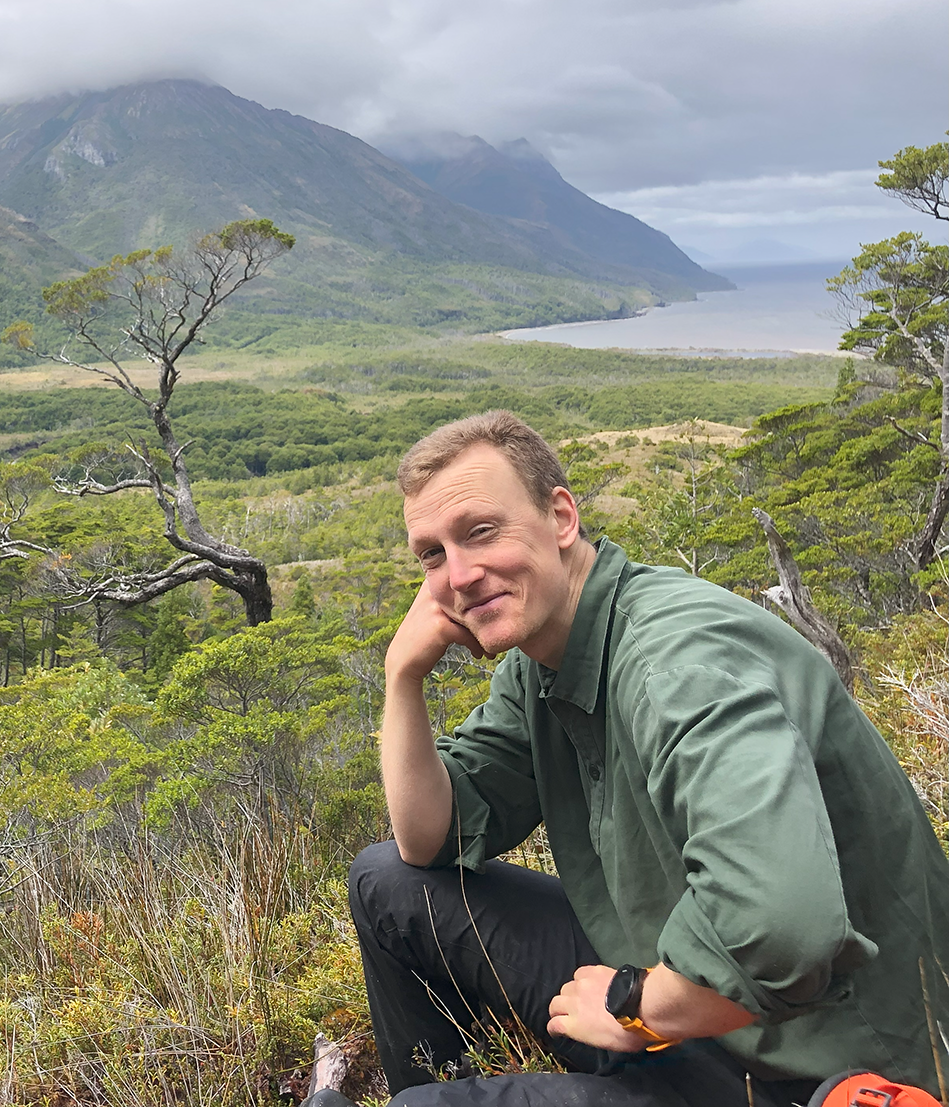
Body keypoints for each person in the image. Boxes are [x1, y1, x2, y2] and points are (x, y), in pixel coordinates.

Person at [311, 410, 949, 1107]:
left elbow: (788, 928)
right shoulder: (546, 662)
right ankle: (449, 1082)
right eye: (432, 554)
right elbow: (427, 839)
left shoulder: (676, 661)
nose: (458, 575)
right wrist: (401, 678)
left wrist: (631, 1007)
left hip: (815, 1060)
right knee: (385, 883)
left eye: (481, 531)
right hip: (683, 994)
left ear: (561, 518)